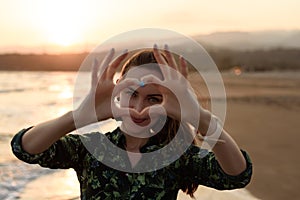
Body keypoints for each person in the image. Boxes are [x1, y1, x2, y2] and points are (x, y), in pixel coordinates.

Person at [11, 45, 252, 199]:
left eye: (153, 98)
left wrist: (200, 117)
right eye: (132, 94)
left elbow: (236, 175)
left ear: (171, 103)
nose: (138, 108)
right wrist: (79, 116)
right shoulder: (91, 149)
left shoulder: (178, 156)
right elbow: (26, 148)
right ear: (118, 93)